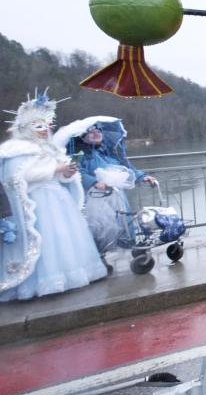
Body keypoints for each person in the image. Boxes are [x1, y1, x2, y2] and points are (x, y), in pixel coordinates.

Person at [0, 92, 107, 301]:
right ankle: (45, 281)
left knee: (64, 237)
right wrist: (56, 169)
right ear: (26, 128)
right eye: (37, 126)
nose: (43, 130)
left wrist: (67, 173)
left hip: (59, 199)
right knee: (48, 239)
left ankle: (72, 275)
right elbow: (19, 177)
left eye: (46, 125)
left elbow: (61, 176)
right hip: (39, 201)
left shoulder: (50, 148)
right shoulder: (18, 150)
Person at [54, 117, 158, 262]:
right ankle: (98, 258)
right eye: (91, 131)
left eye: (98, 130)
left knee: (123, 225)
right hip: (94, 199)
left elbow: (127, 168)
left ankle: (133, 252)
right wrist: (94, 182)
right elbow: (77, 173)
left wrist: (143, 177)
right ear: (82, 136)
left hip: (117, 197)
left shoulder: (109, 151)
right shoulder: (77, 155)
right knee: (98, 229)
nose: (96, 133)